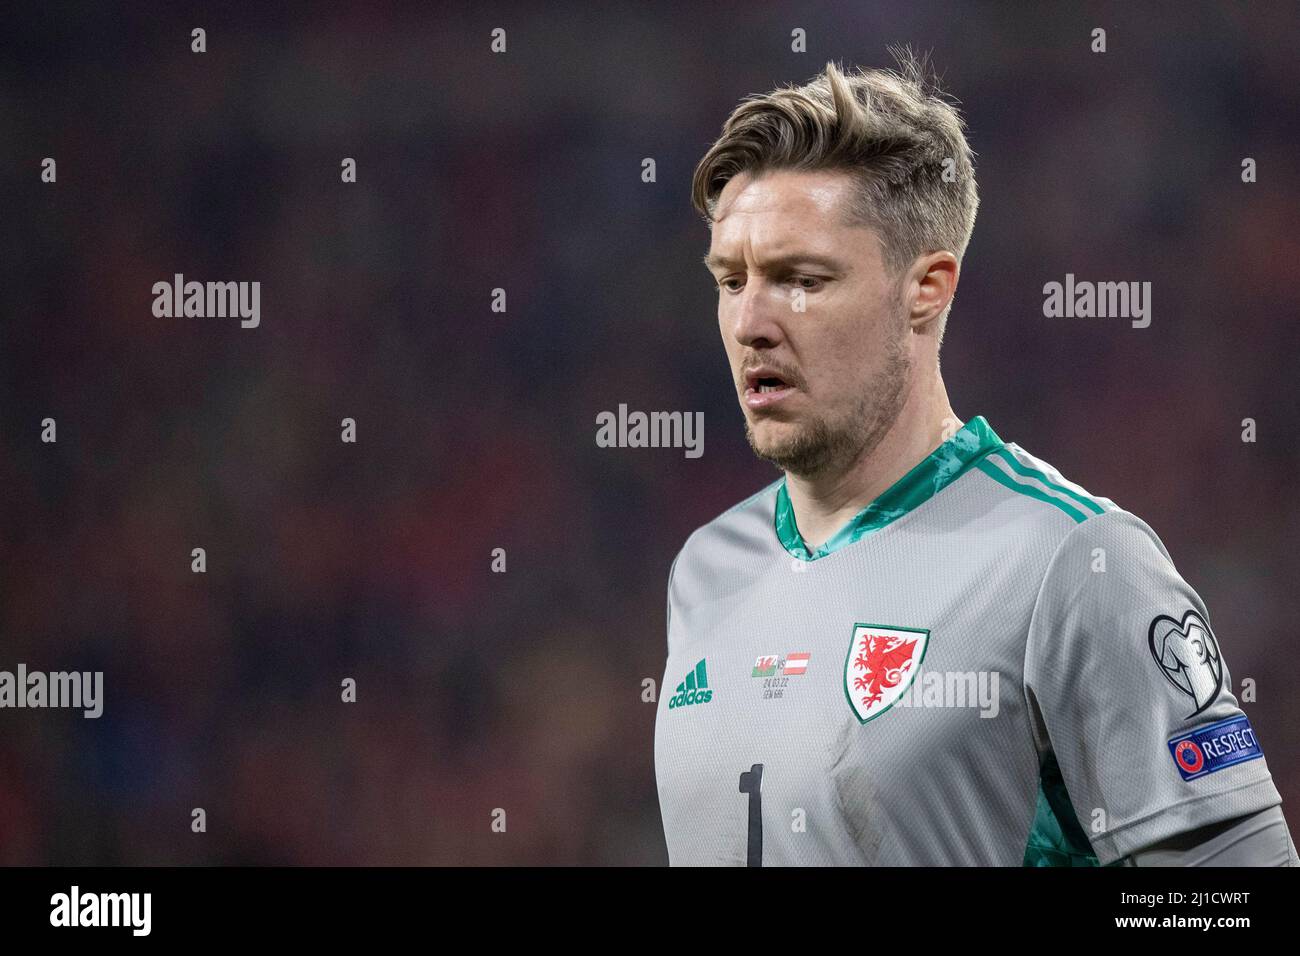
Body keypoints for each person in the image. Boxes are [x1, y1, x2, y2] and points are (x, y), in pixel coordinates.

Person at [654, 53, 1296, 866]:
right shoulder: (706, 570)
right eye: (731, 280)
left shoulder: (1075, 563)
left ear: (926, 287)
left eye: (799, 279)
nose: (749, 321)